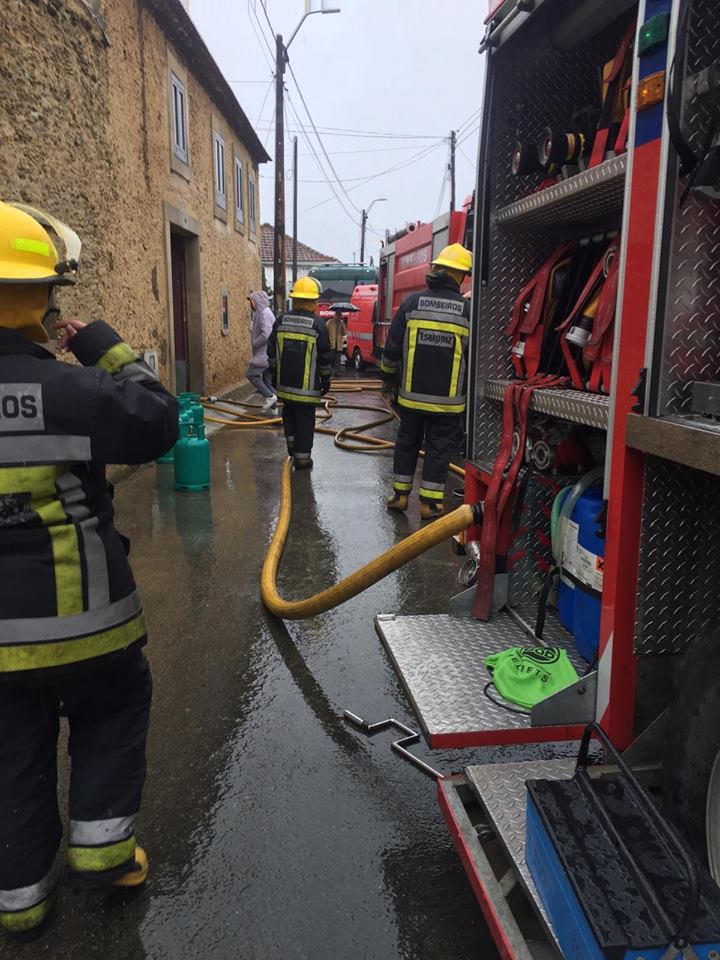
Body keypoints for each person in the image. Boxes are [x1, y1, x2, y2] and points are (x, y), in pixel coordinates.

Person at [0, 200, 178, 940]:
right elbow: (159, 419)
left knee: (12, 755)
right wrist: (104, 346)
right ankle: (105, 858)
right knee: (109, 717)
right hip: (92, 626)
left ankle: (21, 901)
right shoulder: (72, 393)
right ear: (43, 296)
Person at [380, 242, 472, 520]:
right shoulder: (467, 311)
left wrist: (387, 382)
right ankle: (430, 504)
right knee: (439, 449)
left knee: (406, 443)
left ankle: (399, 496)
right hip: (448, 403)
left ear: (437, 270)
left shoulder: (411, 304)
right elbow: (475, 356)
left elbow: (392, 349)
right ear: (460, 276)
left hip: (410, 398)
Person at [266, 276, 333, 470]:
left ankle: (292, 447)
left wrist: (274, 373)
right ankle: (303, 458)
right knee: (305, 419)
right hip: (307, 388)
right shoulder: (318, 324)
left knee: (289, 413)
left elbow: (271, 352)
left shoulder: (281, 320)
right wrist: (326, 379)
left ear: (294, 299)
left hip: (285, 385)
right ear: (314, 301)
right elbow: (325, 357)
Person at [246, 290, 277, 414]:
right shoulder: (264, 312)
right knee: (266, 380)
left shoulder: (264, 313)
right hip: (267, 354)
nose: (250, 304)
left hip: (264, 354)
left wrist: (255, 342)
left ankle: (270, 397)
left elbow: (266, 334)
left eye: (251, 301)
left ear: (256, 302)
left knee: (251, 374)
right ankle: (273, 408)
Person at [326, 306, 347, 377]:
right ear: (335, 315)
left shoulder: (341, 323)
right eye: (338, 315)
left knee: (337, 360)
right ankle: (329, 372)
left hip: (339, 345)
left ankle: (337, 373)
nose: (339, 317)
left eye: (340, 315)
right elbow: (326, 331)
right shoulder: (329, 322)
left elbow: (344, 333)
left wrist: (342, 327)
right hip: (331, 344)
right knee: (330, 359)